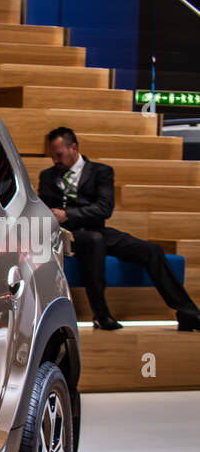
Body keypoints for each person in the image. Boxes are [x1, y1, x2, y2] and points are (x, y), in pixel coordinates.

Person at [39, 126, 200, 332]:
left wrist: (67, 214)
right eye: (53, 156)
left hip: (96, 229)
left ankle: (187, 312)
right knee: (95, 241)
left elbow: (104, 209)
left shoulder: (101, 171)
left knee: (152, 251)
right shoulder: (47, 176)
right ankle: (101, 315)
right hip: (69, 236)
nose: (55, 160)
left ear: (74, 148)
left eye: (59, 155)